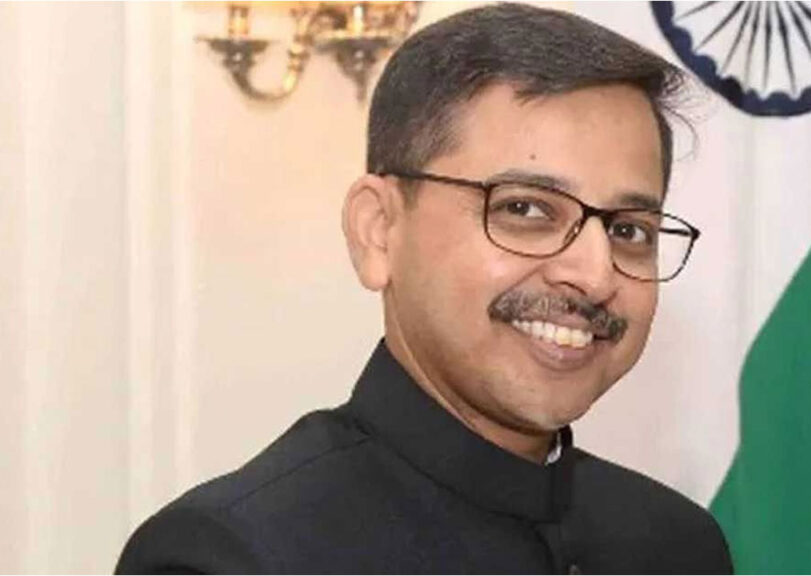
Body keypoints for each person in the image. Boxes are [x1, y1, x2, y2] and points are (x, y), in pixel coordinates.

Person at [116, 3, 732, 573]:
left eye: (628, 230)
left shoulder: (675, 544)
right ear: (379, 231)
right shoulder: (233, 555)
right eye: (524, 209)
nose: (595, 275)